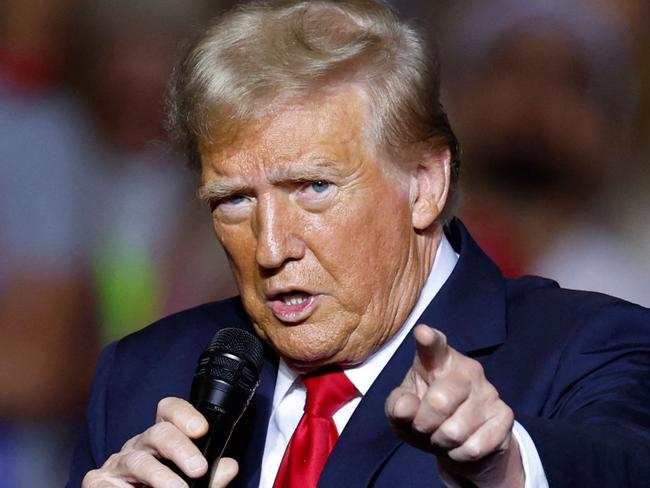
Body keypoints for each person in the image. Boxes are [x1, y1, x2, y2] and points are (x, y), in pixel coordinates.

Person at [67, 1, 650, 487]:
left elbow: (620, 462)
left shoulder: (588, 349)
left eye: (314, 187)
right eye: (234, 200)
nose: (270, 248)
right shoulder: (138, 379)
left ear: (424, 185)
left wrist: (505, 463)